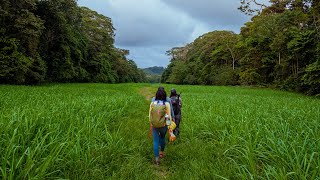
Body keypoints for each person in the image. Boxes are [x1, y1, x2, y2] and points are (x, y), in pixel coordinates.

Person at [149, 87, 173, 165]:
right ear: (164, 95)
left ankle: (156, 160)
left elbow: (150, 115)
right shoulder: (166, 104)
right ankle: (161, 152)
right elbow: (169, 116)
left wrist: (151, 123)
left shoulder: (152, 103)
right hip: (163, 126)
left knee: (155, 141)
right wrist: (169, 126)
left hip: (154, 125)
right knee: (162, 138)